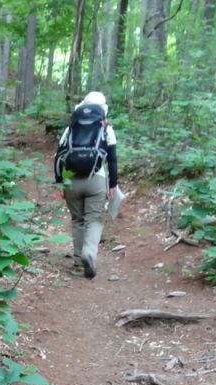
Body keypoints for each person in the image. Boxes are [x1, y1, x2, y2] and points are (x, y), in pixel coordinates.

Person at [54, 91, 118, 280]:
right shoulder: (106, 129)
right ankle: (89, 254)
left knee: (78, 221)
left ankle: (78, 264)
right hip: (96, 180)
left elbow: (59, 157)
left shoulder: (71, 128)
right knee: (94, 220)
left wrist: (60, 182)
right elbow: (112, 160)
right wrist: (112, 184)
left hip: (71, 179)